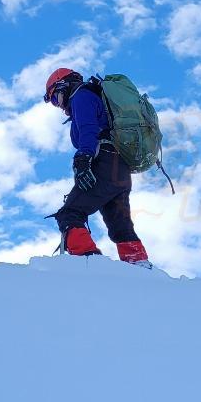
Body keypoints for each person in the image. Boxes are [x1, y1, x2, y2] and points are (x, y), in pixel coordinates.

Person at [43, 68, 151, 265]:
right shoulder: (94, 96)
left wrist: (84, 158)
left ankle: (89, 260)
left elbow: (88, 129)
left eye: (55, 99)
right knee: (120, 223)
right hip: (121, 169)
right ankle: (138, 263)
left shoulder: (80, 97)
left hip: (105, 162)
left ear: (64, 86)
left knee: (70, 213)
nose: (58, 105)